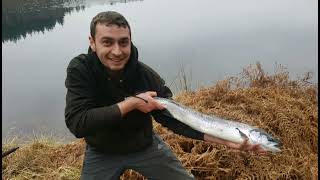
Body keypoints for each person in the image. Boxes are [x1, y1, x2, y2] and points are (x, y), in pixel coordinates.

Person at [65, 11, 266, 180]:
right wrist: (132, 104)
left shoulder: (146, 77)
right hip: (102, 151)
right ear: (92, 42)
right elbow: (78, 123)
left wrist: (229, 142)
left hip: (144, 147)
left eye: (123, 42)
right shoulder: (80, 70)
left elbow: (176, 121)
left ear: (130, 42)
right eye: (107, 42)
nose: (117, 51)